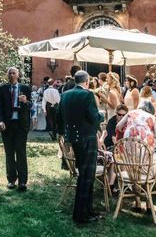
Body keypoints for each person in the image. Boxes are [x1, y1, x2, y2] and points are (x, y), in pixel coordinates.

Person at [56, 70, 103, 225]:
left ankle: (87, 210)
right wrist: (101, 115)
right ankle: (81, 214)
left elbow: (59, 118)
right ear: (87, 81)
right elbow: (94, 118)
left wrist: (63, 135)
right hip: (87, 138)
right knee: (86, 176)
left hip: (74, 139)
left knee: (83, 173)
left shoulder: (65, 94)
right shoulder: (87, 95)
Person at [0, 66, 32, 191]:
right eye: (9, 73)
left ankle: (22, 182)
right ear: (7, 75)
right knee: (9, 153)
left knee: (21, 153)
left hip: (21, 125)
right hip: (7, 125)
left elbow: (30, 105)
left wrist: (26, 101)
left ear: (18, 75)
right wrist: (0, 121)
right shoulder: (3, 89)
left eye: (13, 73)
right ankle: (11, 180)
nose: (11, 75)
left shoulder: (25, 88)